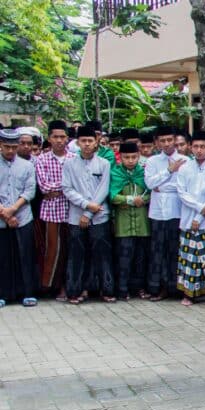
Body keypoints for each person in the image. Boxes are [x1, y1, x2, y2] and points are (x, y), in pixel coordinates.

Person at [62, 125, 114, 304]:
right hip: (76, 217)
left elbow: (104, 189)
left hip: (99, 216)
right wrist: (86, 206)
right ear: (77, 143)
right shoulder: (69, 164)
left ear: (96, 142)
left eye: (90, 141)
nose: (86, 144)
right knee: (76, 254)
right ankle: (74, 291)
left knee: (102, 254)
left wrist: (89, 213)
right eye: (83, 141)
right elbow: (67, 189)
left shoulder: (104, 164)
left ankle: (106, 290)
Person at [176, 130, 205, 306]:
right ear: (190, 147)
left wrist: (200, 216)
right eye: (195, 146)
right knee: (189, 258)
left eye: (203, 146)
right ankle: (189, 294)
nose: (199, 150)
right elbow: (182, 193)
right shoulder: (184, 168)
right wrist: (199, 209)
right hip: (188, 220)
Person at [144, 125, 188, 301]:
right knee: (157, 250)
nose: (167, 143)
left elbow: (181, 186)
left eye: (170, 139)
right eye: (163, 140)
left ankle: (176, 287)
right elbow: (149, 183)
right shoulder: (152, 161)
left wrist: (162, 185)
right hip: (157, 212)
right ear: (157, 143)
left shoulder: (185, 160)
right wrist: (169, 171)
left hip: (177, 210)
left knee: (175, 249)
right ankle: (158, 287)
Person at [35, 120, 73, 300]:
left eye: (62, 137)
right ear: (49, 138)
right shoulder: (41, 159)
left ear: (67, 138)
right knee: (53, 249)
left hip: (73, 211)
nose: (59, 140)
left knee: (70, 250)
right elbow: (44, 187)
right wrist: (66, 188)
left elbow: (76, 186)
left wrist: (60, 189)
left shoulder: (74, 158)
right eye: (55, 137)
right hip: (51, 212)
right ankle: (49, 286)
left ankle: (66, 286)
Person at [0, 129, 39, 308]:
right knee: (3, 256)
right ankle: (3, 294)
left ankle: (27, 293)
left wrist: (13, 210)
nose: (10, 151)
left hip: (23, 216)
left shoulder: (27, 165)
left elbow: (30, 191)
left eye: (13, 147)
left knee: (25, 255)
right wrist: (5, 214)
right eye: (6, 147)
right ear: (0, 145)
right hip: (1, 217)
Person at [108, 141, 150, 300]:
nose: (131, 160)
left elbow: (153, 192)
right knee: (123, 258)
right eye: (127, 157)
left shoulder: (144, 172)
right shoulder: (115, 173)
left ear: (139, 156)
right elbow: (112, 196)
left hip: (142, 223)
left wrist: (144, 199)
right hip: (123, 223)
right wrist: (131, 200)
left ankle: (139, 289)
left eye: (134, 157)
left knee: (140, 258)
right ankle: (122, 289)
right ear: (120, 157)